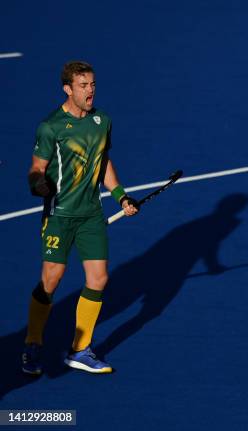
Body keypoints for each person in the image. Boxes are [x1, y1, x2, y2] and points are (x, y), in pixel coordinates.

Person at [21, 61, 139, 375]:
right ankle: (33, 343)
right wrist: (39, 185)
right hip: (59, 214)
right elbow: (36, 169)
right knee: (51, 280)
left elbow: (103, 163)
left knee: (99, 279)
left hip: (90, 215)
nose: (90, 91)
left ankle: (80, 349)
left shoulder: (102, 121)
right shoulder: (51, 126)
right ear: (68, 89)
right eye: (83, 86)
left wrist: (121, 196)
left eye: (92, 84)